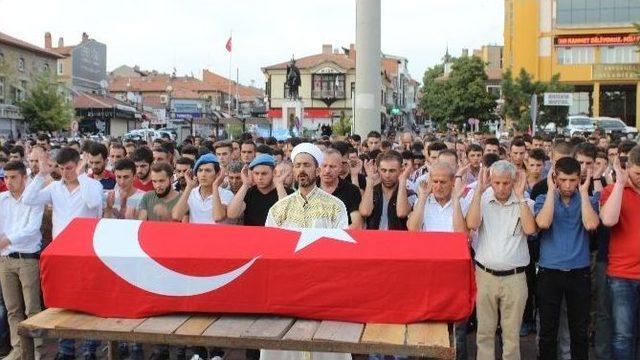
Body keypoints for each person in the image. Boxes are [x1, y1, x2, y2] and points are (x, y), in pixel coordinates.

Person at [263, 143, 349, 360]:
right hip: (287, 287)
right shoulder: (279, 208)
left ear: (317, 170)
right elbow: (269, 251)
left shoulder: (335, 206)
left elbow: (341, 250)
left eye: (307, 165)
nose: (302, 170)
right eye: (298, 165)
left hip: (323, 286)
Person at [22, 147, 103, 360]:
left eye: (69, 168)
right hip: (61, 255)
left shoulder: (93, 185)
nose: (66, 172)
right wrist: (41, 174)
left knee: (89, 303)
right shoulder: (54, 188)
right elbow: (27, 199)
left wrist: (82, 174)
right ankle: (66, 349)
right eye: (62, 168)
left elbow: (93, 203)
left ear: (77, 165)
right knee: (62, 304)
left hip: (87, 253)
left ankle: (89, 349)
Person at [466, 160, 537, 360]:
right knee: (484, 333)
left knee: (512, 335)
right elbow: (471, 224)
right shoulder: (481, 198)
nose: (501, 188)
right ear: (490, 180)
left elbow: (530, 230)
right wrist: (479, 192)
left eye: (506, 183)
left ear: (513, 181)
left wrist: (521, 196)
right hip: (485, 275)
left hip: (515, 278)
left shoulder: (525, 202)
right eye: (496, 183)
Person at [534, 157, 600, 360]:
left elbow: (591, 225)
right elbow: (543, 223)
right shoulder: (543, 199)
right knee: (548, 329)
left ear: (579, 179)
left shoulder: (587, 200)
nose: (568, 185)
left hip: (579, 273)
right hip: (549, 272)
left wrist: (583, 193)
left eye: (573, 180)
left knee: (579, 330)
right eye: (563, 180)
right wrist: (552, 192)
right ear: (555, 178)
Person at [407, 161, 470, 360]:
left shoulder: (464, 201)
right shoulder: (423, 201)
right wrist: (424, 197)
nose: (438, 186)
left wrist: (456, 201)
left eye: (443, 181)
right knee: (426, 323)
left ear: (453, 182)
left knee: (456, 329)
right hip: (427, 272)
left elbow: (461, 234)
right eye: (434, 181)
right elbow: (413, 229)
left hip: (454, 273)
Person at [0, 161, 44, 360]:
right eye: (6, 177)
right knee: (12, 309)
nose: (9, 182)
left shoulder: (34, 200)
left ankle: (37, 351)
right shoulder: (2, 199)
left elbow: (32, 229)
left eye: (13, 177)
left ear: (24, 178)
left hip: (27, 259)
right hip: (5, 259)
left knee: (32, 309)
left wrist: (7, 239)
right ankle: (18, 349)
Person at [600, 145, 640, 359]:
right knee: (623, 335)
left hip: (624, 276)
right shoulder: (612, 190)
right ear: (628, 167)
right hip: (622, 276)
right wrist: (621, 184)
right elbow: (608, 220)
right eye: (638, 173)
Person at [227, 154, 291, 226]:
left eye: (264, 174)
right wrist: (245, 185)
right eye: (256, 173)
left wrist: (279, 185)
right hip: (252, 236)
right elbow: (232, 214)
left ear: (274, 173)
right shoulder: (248, 193)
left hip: (276, 235)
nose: (260, 177)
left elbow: (287, 216)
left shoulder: (287, 192)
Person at [360, 151, 415, 230]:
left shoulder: (409, 194)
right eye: (383, 170)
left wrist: (403, 180)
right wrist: (370, 181)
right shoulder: (372, 192)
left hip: (398, 240)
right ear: (378, 169)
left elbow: (402, 213)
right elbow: (365, 212)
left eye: (392, 171)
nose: (387, 175)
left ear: (401, 169)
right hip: (373, 240)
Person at [172, 154, 232, 224]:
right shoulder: (190, 193)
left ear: (217, 174)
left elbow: (218, 217)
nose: (203, 174)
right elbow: (176, 216)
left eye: (208, 170)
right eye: (200, 170)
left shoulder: (227, 194)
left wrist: (215, 186)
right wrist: (189, 187)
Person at [319, 149, 363, 228]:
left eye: (332, 166)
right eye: (324, 165)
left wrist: (336, 237)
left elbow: (357, 224)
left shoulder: (352, 190)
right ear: (318, 167)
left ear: (340, 168)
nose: (327, 170)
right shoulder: (310, 188)